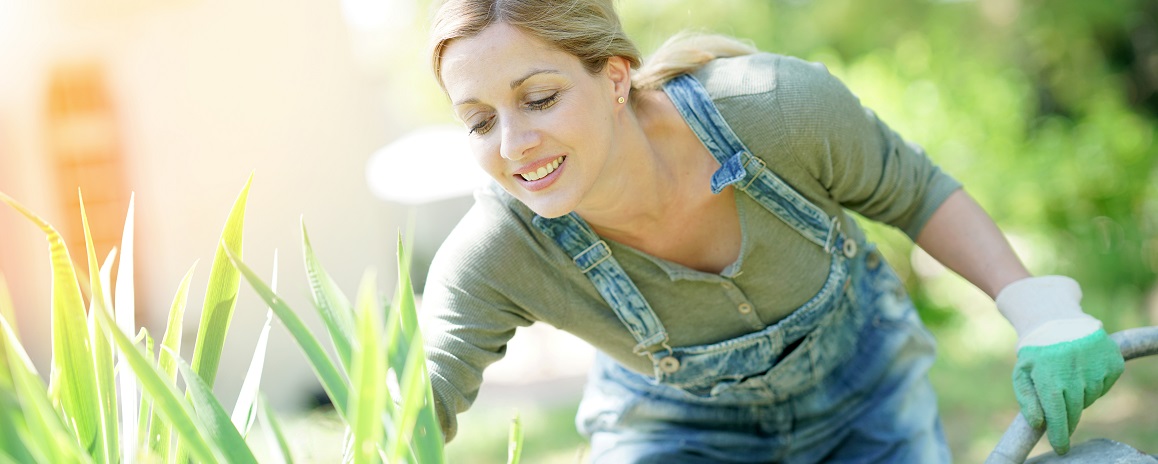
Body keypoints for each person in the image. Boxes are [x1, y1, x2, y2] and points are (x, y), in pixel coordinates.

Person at [419, 0, 1126, 461]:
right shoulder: (499, 250)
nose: (512, 144)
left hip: (865, 393)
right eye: (479, 120)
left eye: (538, 98)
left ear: (613, 78)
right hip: (676, 433)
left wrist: (1038, 310)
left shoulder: (773, 110)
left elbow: (916, 193)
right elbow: (418, 402)